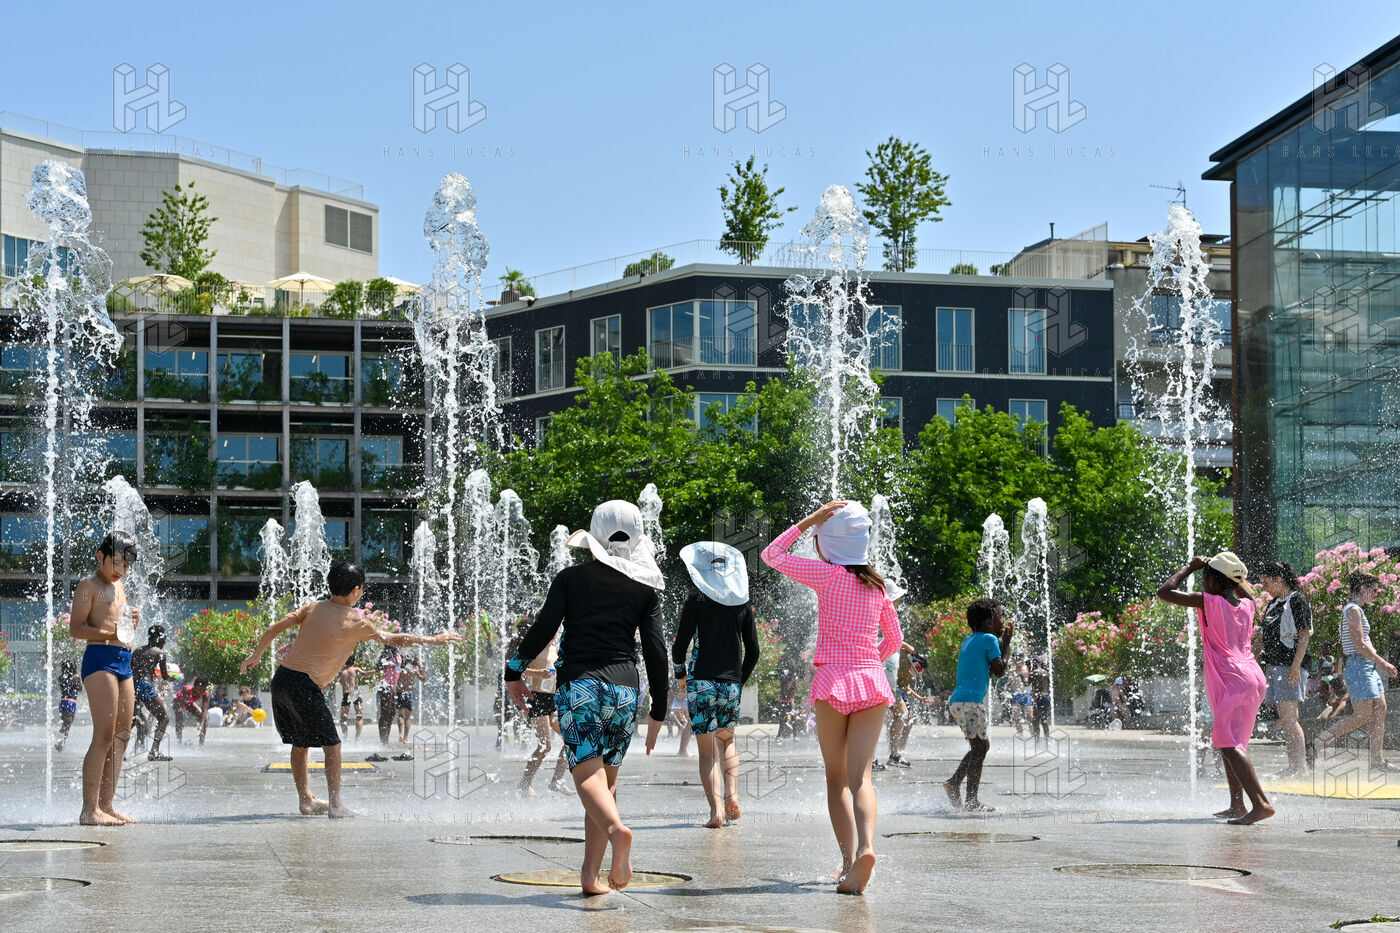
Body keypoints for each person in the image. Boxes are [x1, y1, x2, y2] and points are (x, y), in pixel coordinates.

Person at [504, 500, 667, 895]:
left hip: (580, 684)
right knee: (605, 785)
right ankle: (591, 876)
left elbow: (544, 628)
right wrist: (659, 710)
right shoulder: (645, 588)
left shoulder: (571, 578)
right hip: (625, 690)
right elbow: (656, 650)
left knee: (585, 777)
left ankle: (618, 831)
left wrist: (513, 671)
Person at [239, 561, 462, 818]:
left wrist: (255, 655)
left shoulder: (312, 607)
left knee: (300, 743)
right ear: (356, 590)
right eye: (362, 589)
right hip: (303, 684)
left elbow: (273, 629)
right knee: (332, 745)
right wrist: (433, 639)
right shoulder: (355, 621)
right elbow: (394, 638)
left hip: (282, 680)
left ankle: (306, 800)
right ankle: (336, 805)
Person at [761, 500, 901, 896]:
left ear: (827, 543)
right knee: (862, 778)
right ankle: (867, 848)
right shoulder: (879, 586)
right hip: (872, 684)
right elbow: (894, 640)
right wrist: (868, 663)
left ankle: (847, 862)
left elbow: (772, 555)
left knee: (836, 778)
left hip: (833, 683)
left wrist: (808, 520)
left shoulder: (827, 575)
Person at [1158, 552, 1274, 824]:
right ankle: (1237, 804)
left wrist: (1191, 567)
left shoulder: (1207, 601)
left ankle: (1261, 804)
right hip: (1253, 676)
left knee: (1228, 742)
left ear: (1211, 582)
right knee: (1230, 741)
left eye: (1205, 579)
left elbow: (1164, 592)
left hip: (1232, 677)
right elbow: (1242, 588)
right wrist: (1227, 572)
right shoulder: (1248, 605)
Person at [672, 541, 760, 828]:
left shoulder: (696, 601)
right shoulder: (742, 604)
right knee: (727, 741)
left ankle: (716, 811)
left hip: (701, 681)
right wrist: (738, 680)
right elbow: (754, 651)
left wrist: (680, 674)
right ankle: (732, 796)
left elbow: (679, 647)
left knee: (707, 751)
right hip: (730, 683)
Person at [68, 530, 141, 826]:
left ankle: (107, 805)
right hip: (99, 660)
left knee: (123, 735)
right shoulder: (88, 585)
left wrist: (132, 622)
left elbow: (119, 626)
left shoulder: (119, 586)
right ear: (101, 556)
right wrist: (111, 632)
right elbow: (76, 628)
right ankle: (89, 809)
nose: (121, 570)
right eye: (117, 562)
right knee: (103, 735)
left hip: (123, 661)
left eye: (127, 565)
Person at [1314, 571, 1399, 771]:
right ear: (1363, 588)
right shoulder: (1353, 610)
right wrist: (1384, 663)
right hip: (1359, 665)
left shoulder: (1357, 609)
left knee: (1380, 708)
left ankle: (1376, 761)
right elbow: (1359, 643)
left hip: (1366, 666)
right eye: (1374, 590)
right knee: (1362, 715)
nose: (1376, 594)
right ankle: (1319, 741)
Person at [941, 598, 1014, 813]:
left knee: (980, 747)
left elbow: (988, 671)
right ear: (990, 621)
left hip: (958, 701)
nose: (1003, 620)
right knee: (980, 748)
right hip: (971, 702)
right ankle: (970, 799)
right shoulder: (990, 639)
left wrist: (1001, 643)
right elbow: (999, 671)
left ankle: (954, 783)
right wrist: (1006, 644)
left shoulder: (969, 640)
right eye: (1000, 616)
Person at [1255, 560, 1314, 776]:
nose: (1264, 587)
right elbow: (1263, 638)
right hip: (1274, 667)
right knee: (1285, 718)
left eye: (1266, 582)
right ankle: (1293, 766)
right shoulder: (1273, 604)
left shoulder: (1297, 600)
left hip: (1290, 667)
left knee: (1290, 719)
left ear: (1279, 579)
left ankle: (1301, 768)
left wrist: (1295, 668)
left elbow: (1304, 634)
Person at [517, 633, 572, 797]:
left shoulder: (555, 649)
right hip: (538, 699)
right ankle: (524, 784)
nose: (553, 634)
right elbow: (518, 669)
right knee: (544, 746)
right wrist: (539, 673)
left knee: (570, 740)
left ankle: (557, 781)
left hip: (553, 699)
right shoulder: (534, 648)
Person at [130, 625, 172, 759]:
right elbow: (165, 676)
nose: (165, 641)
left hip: (132, 686)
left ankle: (115, 748)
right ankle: (154, 751)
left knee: (131, 720)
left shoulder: (137, 651)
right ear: (159, 638)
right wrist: (174, 677)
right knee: (164, 718)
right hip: (145, 686)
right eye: (164, 638)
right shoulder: (160, 653)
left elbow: (130, 670)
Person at [396, 654, 425, 749]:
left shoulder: (400, 670)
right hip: (408, 694)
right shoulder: (414, 671)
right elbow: (423, 679)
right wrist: (420, 667)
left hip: (399, 693)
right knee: (407, 718)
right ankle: (405, 738)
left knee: (400, 716)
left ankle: (400, 735)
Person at [173, 676, 210, 746]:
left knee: (204, 721)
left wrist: (201, 724)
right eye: (199, 689)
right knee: (179, 721)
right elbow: (181, 707)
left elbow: (204, 710)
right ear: (195, 687)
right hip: (178, 702)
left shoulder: (205, 694)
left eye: (203, 689)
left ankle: (201, 745)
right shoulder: (187, 690)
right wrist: (181, 719)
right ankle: (179, 743)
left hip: (189, 703)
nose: (201, 692)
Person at [55, 660, 82, 752]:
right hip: (71, 702)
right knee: (67, 726)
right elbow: (80, 689)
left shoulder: (61, 678)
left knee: (64, 723)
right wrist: (78, 680)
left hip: (63, 702)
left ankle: (59, 742)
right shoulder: (76, 677)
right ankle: (60, 744)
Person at [338, 656, 366, 739]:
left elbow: (332, 681)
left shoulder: (341, 671)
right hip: (356, 694)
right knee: (359, 717)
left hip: (346, 695)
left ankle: (345, 738)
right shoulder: (355, 669)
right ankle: (356, 739)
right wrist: (376, 671)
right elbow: (365, 673)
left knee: (344, 719)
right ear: (353, 662)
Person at [1029, 658, 1052, 743]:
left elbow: (1026, 683)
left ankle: (1037, 740)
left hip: (1038, 697)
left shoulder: (1034, 672)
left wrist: (1021, 676)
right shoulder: (1046, 673)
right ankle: (1047, 740)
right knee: (1044, 720)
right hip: (1046, 697)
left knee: (1035, 720)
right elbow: (1049, 686)